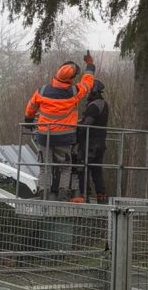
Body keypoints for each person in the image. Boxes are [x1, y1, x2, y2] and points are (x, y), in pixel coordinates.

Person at [25, 52, 95, 200]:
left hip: (44, 135)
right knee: (65, 167)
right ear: (71, 78)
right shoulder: (74, 92)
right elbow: (88, 83)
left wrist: (29, 120)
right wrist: (90, 65)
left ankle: (43, 192)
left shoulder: (42, 90)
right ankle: (63, 193)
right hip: (65, 137)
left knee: (45, 166)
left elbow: (31, 107)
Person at [71, 79, 109, 204]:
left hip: (90, 144)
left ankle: (83, 195)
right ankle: (101, 195)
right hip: (99, 143)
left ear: (94, 91)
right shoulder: (103, 104)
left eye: (89, 91)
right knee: (96, 170)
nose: (87, 93)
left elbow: (87, 123)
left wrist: (76, 129)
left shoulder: (93, 106)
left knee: (83, 168)